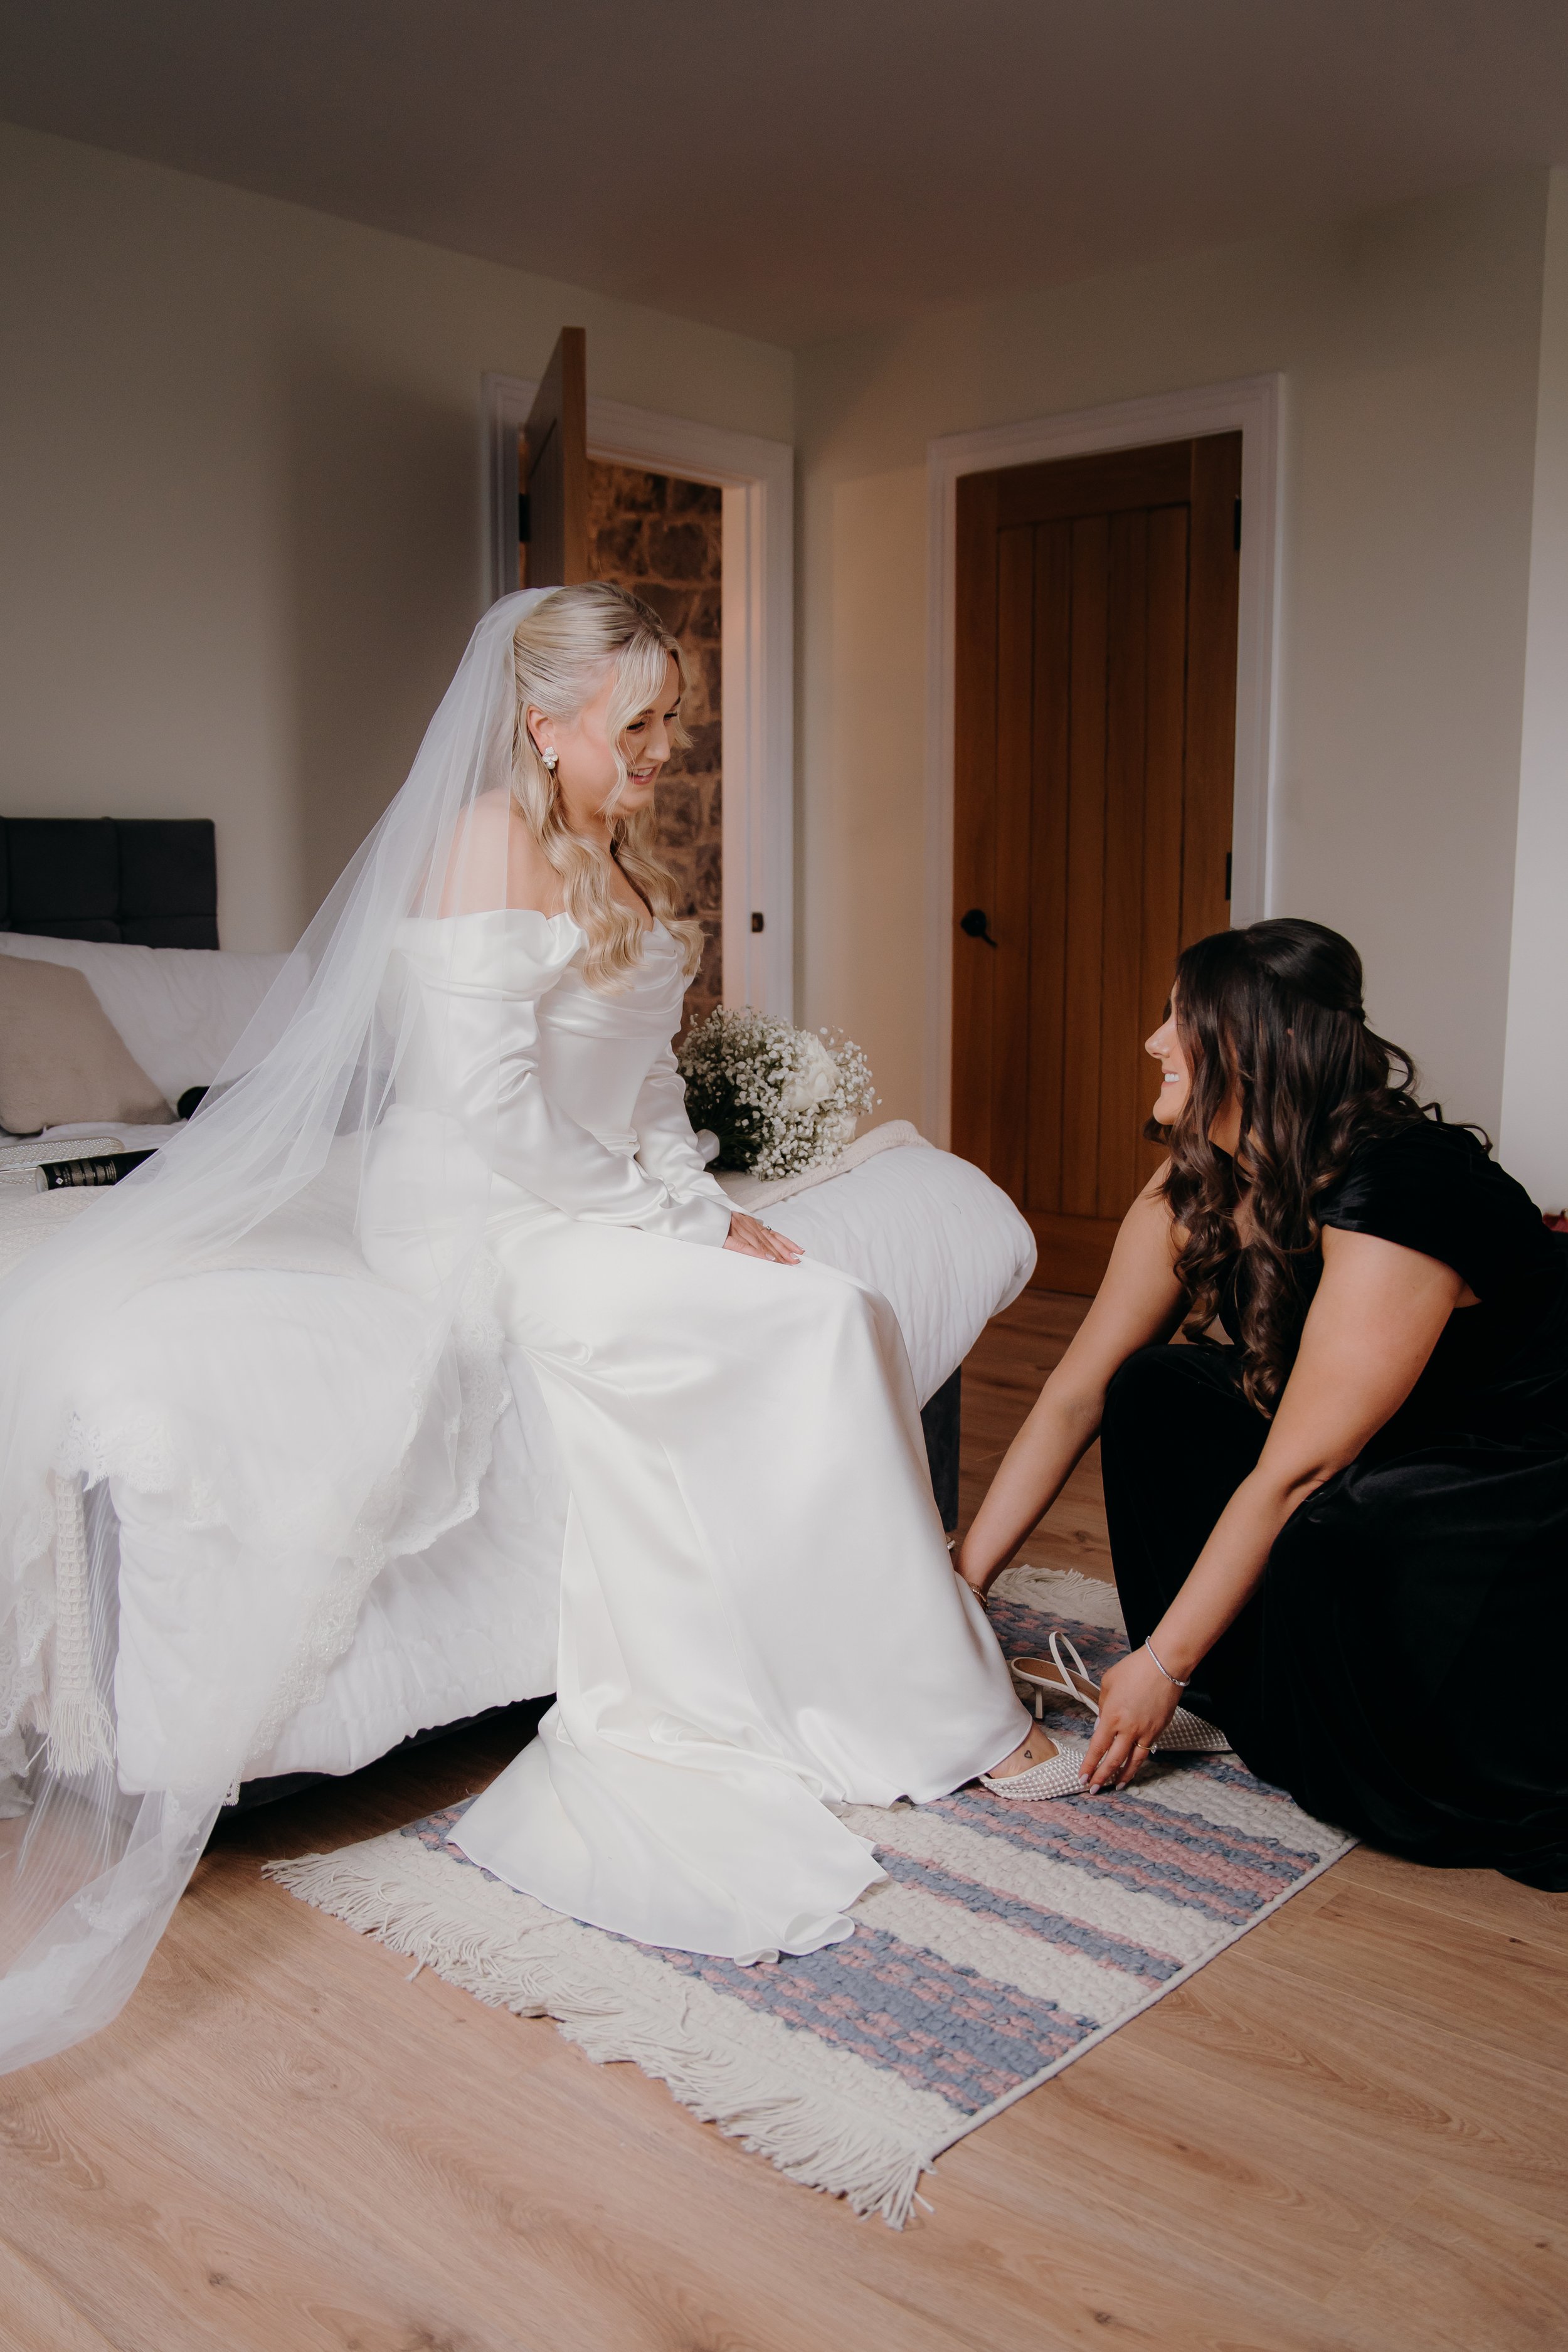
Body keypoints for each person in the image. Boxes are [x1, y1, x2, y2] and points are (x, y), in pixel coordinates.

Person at [0, 585, 1052, 2072]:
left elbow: (646, 1096)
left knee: (820, 1298)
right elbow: (493, 1117)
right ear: (545, 725)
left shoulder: (608, 850)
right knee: (799, 1328)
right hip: (471, 1216)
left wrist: (705, 1212)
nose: (664, 748)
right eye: (642, 722)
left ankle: (855, 1673)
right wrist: (656, 1224)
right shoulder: (481, 844)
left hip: (584, 1197)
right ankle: (953, 1719)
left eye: (666, 718)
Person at [957, 918, 1568, 1890]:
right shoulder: (1198, 1175)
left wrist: (1159, 1659)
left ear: (1254, 1045)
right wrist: (965, 1582)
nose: (1155, 1040)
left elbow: (1301, 1468)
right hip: (1378, 1442)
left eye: (1179, 1018)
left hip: (1512, 1477)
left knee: (1338, 1521)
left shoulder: (1402, 1188)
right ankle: (1239, 1694)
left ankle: (1268, 1705)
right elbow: (1074, 1394)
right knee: (1151, 1389)